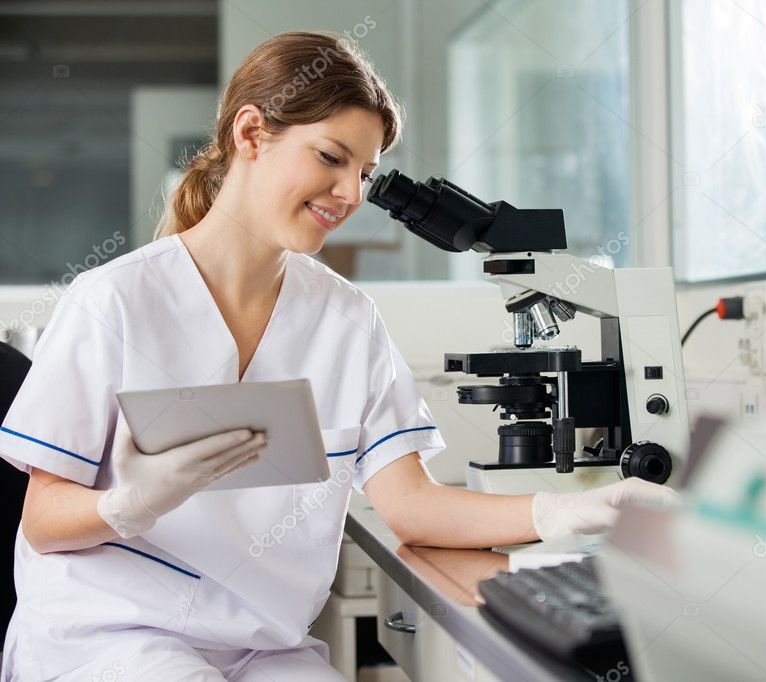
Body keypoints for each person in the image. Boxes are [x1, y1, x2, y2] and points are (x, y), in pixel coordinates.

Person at [0, 32, 675, 681]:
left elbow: (409, 504)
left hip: (262, 646)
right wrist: (129, 505)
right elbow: (43, 520)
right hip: (114, 636)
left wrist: (557, 514)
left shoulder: (346, 319)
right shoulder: (113, 300)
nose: (352, 193)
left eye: (366, 171)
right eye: (331, 158)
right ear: (250, 134)